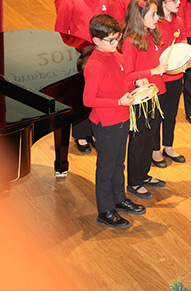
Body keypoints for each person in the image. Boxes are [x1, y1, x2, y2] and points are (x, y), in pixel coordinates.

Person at [83, 14, 145, 228]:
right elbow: (88, 100)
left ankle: (119, 199)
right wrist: (119, 102)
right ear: (96, 41)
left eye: (117, 38)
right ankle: (105, 209)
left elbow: (122, 81)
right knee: (106, 167)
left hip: (122, 117)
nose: (115, 43)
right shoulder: (95, 65)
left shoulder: (116, 56)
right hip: (106, 123)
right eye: (110, 40)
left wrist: (135, 84)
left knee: (119, 162)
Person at [55, 0, 111, 154]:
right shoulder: (70, 0)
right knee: (82, 95)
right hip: (81, 55)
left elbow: (113, 25)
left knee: (100, 93)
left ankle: (95, 130)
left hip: (103, 53)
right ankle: (80, 134)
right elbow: (61, 32)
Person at [121, 0, 167, 200]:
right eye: (153, 14)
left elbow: (158, 64)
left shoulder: (152, 36)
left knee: (150, 138)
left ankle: (144, 174)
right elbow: (127, 75)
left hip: (155, 95)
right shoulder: (130, 43)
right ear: (140, 17)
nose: (157, 18)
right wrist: (152, 71)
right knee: (139, 140)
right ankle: (134, 182)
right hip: (141, 100)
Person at [152, 0, 188, 168]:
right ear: (162, 2)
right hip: (159, 80)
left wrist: (188, 59)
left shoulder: (178, 21)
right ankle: (155, 150)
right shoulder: (154, 25)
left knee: (171, 114)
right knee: (157, 116)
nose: (178, 2)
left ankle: (168, 146)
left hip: (175, 77)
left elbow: (183, 45)